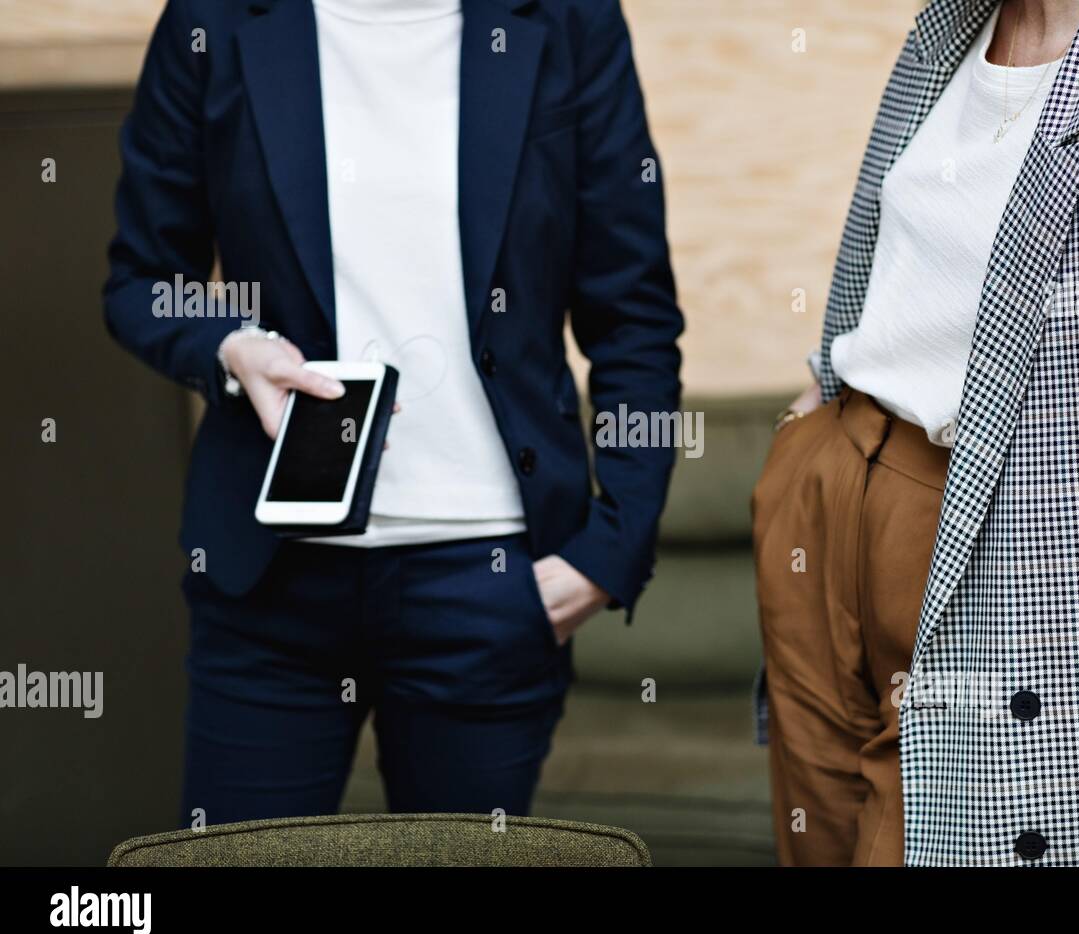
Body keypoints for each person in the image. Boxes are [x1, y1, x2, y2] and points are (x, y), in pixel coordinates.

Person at [104, 0, 682, 826]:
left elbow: (635, 317)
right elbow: (140, 280)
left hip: (489, 583)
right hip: (270, 582)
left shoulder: (567, 17)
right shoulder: (216, 18)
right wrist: (230, 347)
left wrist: (612, 547)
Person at [753, 0, 1079, 866]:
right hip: (831, 490)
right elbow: (895, 250)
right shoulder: (951, 23)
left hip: (989, 544)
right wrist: (820, 405)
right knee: (816, 837)